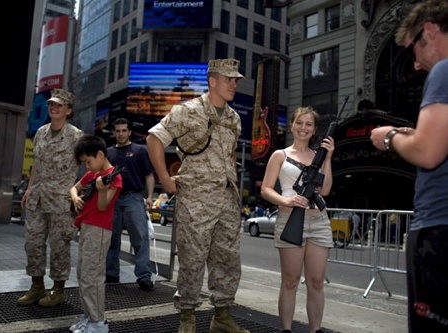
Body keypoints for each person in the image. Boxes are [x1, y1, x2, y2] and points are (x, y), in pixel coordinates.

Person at [146, 58, 249, 333]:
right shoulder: (187, 111)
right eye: (228, 79)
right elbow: (154, 139)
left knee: (227, 259)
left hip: (227, 199)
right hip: (196, 200)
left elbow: (228, 158)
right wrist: (165, 179)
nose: (233, 84)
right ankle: (187, 316)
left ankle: (222, 316)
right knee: (192, 259)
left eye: (235, 80)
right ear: (212, 81)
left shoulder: (234, 118)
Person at [370, 2, 448, 331]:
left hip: (438, 231)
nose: (415, 64)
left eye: (413, 50)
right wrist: (422, 135)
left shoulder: (444, 70)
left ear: (429, 30)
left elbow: (428, 154)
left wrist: (389, 137)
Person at [260, 106, 335, 333]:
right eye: (299, 123)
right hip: (290, 218)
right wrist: (288, 201)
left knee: (316, 282)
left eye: (309, 124)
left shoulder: (318, 157)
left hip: (319, 222)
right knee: (290, 280)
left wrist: (328, 158)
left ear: (314, 130)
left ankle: (315, 329)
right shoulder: (279, 155)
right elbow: (265, 189)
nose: (304, 128)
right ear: (292, 125)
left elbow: (326, 190)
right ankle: (286, 329)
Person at [18, 88, 84, 307]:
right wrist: (28, 189)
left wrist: (78, 195)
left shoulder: (77, 136)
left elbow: (89, 166)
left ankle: (58, 289)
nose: (53, 107)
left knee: (59, 246)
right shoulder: (41, 132)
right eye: (51, 104)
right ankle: (37, 286)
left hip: (61, 201)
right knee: (33, 243)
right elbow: (37, 164)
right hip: (37, 197)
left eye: (58, 105)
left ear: (69, 110)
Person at [69, 135, 122, 333]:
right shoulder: (92, 174)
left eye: (88, 162)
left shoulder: (114, 176)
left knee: (93, 276)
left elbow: (102, 207)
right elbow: (74, 188)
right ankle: (89, 316)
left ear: (100, 154)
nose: (87, 167)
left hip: (99, 230)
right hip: (87, 228)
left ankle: (98, 322)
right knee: (83, 274)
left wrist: (102, 190)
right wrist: (75, 199)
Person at [105, 118, 155, 291]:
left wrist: (149, 196)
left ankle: (144, 276)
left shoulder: (140, 150)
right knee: (111, 238)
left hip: (134, 197)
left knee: (140, 237)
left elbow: (149, 175)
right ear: (113, 133)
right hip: (112, 197)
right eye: (117, 131)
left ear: (129, 132)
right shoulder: (108, 152)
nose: (121, 134)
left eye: (124, 130)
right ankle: (111, 273)